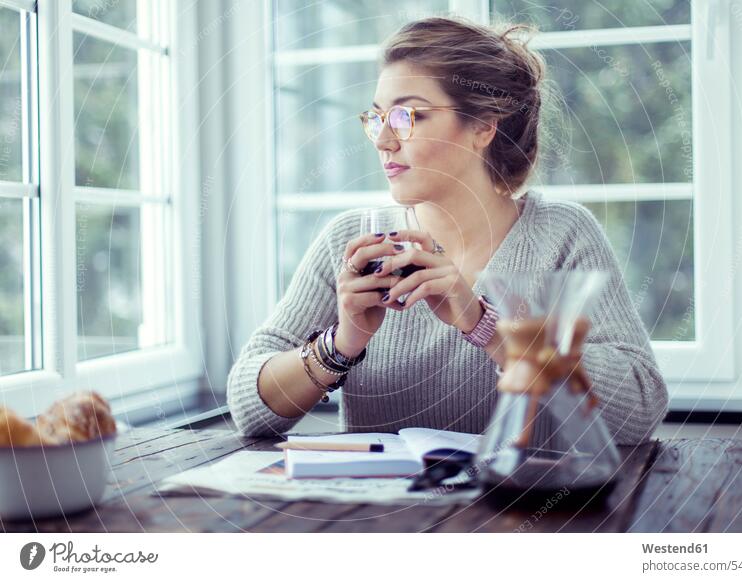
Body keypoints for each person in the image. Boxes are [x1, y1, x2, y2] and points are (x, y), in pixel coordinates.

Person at [227, 16, 668, 444]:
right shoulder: (351, 244)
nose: (383, 140)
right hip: (380, 517)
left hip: (523, 513)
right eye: (377, 118)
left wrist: (484, 324)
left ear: (482, 126)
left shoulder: (562, 237)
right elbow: (248, 407)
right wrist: (342, 344)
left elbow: (639, 410)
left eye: (407, 117)